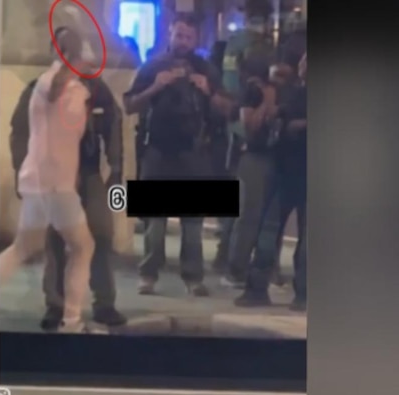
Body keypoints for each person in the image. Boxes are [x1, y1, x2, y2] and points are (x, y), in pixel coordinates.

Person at [11, 51, 129, 331]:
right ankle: (56, 305)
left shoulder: (97, 89)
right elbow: (20, 132)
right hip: (53, 179)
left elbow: (113, 129)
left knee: (102, 234)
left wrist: (116, 172)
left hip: (89, 173)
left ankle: (105, 303)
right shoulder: (39, 88)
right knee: (54, 241)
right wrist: (22, 175)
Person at [123, 13, 231, 296]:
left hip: (194, 153)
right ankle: (148, 274)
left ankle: (193, 278)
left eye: (188, 37)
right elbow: (130, 105)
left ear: (195, 39)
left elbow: (227, 109)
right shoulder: (153, 66)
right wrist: (156, 86)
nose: (183, 41)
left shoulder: (206, 69)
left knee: (193, 225)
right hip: (158, 152)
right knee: (154, 224)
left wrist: (207, 90)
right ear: (170, 34)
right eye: (179, 35)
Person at [0, 27, 95, 332]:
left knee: (24, 247)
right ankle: (72, 320)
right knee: (82, 247)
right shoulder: (55, 83)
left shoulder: (68, 86)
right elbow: (56, 91)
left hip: (43, 182)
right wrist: (71, 61)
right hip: (54, 185)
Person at [235, 52, 307, 311]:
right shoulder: (291, 91)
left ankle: (304, 294)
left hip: (303, 170)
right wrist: (269, 102)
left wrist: (296, 124)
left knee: (305, 238)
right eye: (303, 60)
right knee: (268, 231)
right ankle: (257, 289)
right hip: (283, 169)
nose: (303, 65)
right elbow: (271, 118)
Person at [216, 58, 279, 287]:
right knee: (249, 216)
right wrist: (266, 103)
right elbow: (250, 126)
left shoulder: (278, 91)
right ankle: (236, 269)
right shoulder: (253, 92)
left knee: (264, 219)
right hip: (254, 156)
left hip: (272, 157)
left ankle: (259, 269)